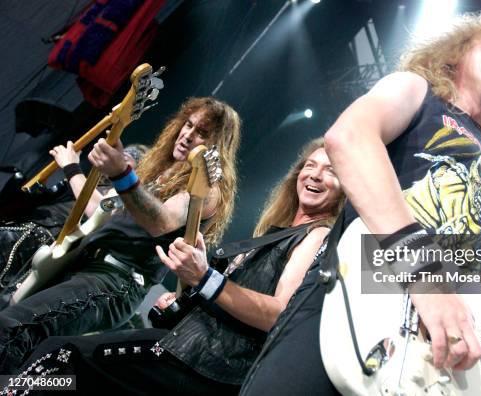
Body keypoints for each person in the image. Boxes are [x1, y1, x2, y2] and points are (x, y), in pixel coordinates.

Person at [240, 13, 481, 395]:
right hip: (352, 302)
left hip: (420, 358)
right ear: (456, 55)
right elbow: (349, 138)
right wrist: (427, 280)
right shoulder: (417, 91)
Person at [10, 138, 344, 396]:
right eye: (310, 165)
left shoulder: (318, 234)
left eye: (330, 170)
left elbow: (278, 315)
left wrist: (205, 277)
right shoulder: (276, 235)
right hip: (188, 348)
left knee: (62, 357)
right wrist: (186, 297)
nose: (315, 174)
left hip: (204, 364)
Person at [0, 96, 241, 373]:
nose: (187, 135)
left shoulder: (207, 188)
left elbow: (160, 222)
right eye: (188, 124)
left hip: (116, 281)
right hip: (84, 261)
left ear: (216, 146)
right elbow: (98, 212)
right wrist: (73, 168)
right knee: (11, 320)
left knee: (13, 329)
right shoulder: (157, 168)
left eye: (201, 133)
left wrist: (123, 174)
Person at [0, 143, 148, 306]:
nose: (111, 158)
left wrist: (71, 167)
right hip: (25, 229)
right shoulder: (94, 183)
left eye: (124, 159)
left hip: (38, 240)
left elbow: (101, 211)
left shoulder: (123, 196)